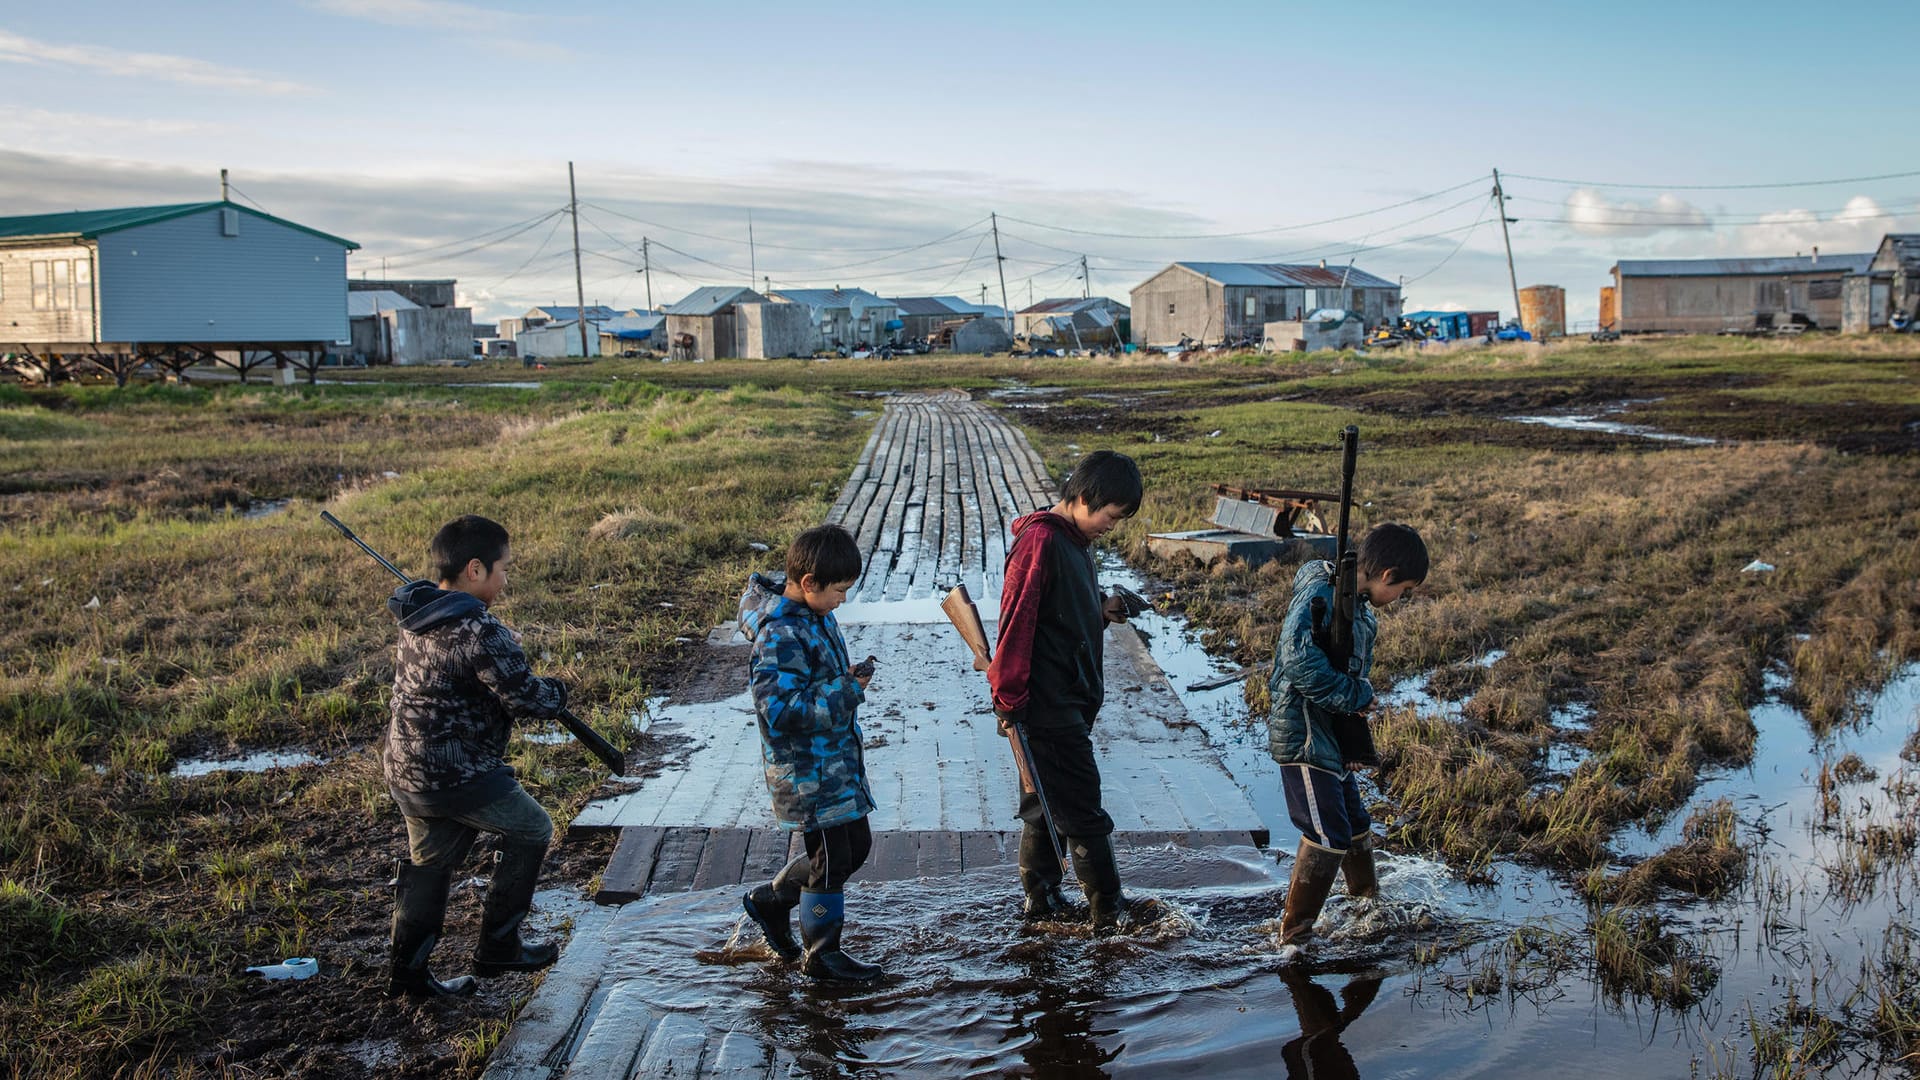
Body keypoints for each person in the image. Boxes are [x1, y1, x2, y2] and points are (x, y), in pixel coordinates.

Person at [383, 515, 571, 997]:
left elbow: (461, 669)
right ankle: (499, 946)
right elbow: (529, 700)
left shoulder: (420, 613)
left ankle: (408, 976)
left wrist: (501, 645)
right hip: (458, 772)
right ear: (474, 569)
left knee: (430, 865)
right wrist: (558, 690)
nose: (506, 580)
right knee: (533, 828)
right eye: (503, 569)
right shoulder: (478, 630)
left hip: (407, 768)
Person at [989, 450, 1144, 934]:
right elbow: (1016, 625)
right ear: (1081, 498)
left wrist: (1103, 609)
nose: (1111, 527)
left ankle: (1042, 902)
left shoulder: (1073, 542)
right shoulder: (1040, 542)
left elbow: (1062, 612)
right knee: (1083, 810)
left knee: (1043, 805)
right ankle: (1109, 913)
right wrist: (1009, 701)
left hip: (1065, 701)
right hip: (1046, 706)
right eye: (1110, 516)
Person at [1266, 522, 1428, 951]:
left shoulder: (1358, 611)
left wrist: (1354, 741)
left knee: (1355, 824)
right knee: (1328, 835)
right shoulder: (1321, 595)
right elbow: (1299, 663)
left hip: (1330, 738)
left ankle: (1365, 906)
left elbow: (1345, 670)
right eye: (1404, 590)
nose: (1401, 599)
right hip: (1304, 737)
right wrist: (1360, 694)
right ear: (1388, 575)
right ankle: (1293, 937)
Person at [738, 524, 883, 982]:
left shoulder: (813, 614)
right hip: (806, 772)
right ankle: (822, 954)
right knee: (831, 859)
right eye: (839, 591)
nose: (842, 599)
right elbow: (779, 710)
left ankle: (771, 901)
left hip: (834, 762)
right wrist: (846, 690)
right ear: (808, 583)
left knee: (854, 848)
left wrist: (845, 678)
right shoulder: (779, 634)